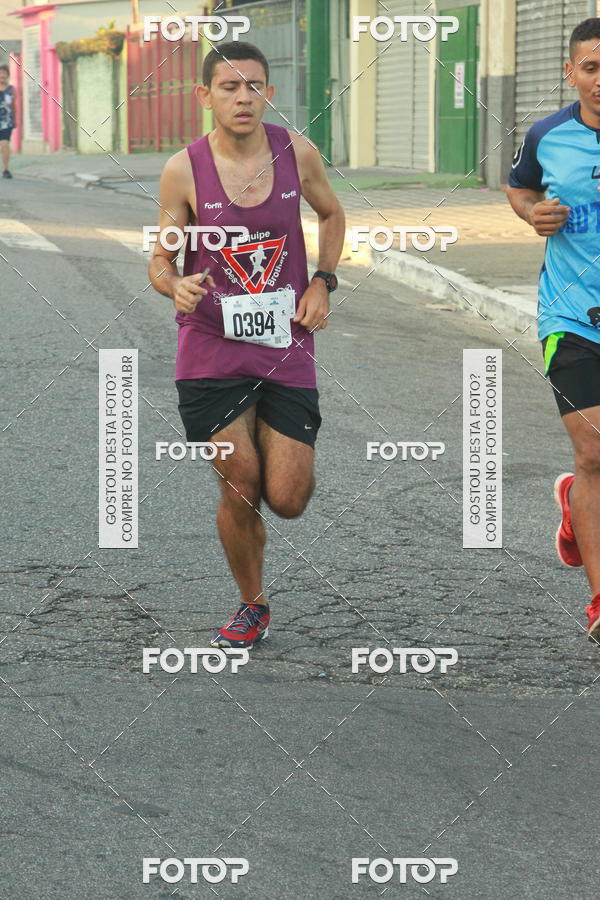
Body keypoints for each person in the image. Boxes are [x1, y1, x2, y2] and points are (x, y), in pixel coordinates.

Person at [149, 41, 345, 649]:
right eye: (229, 87)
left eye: (254, 86)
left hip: (286, 341)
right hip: (210, 344)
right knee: (241, 484)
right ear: (204, 96)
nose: (243, 97)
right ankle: (252, 602)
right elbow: (161, 257)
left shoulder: (297, 153)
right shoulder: (184, 169)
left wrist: (323, 279)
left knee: (286, 497)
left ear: (269, 93)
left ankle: (272, 457)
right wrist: (175, 284)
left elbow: (332, 215)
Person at [507, 17, 600, 644]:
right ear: (570, 72)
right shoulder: (548, 135)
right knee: (594, 452)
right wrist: (533, 213)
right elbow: (519, 190)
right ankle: (599, 602)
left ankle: (573, 505)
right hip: (572, 318)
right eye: (591, 67)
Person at [0, 63, 16, 179]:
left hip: (6, 122)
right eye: (0, 73)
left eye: (4, 73)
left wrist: (15, 120)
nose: (2, 75)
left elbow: (14, 106)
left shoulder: (11, 89)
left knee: (4, 144)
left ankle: (6, 169)